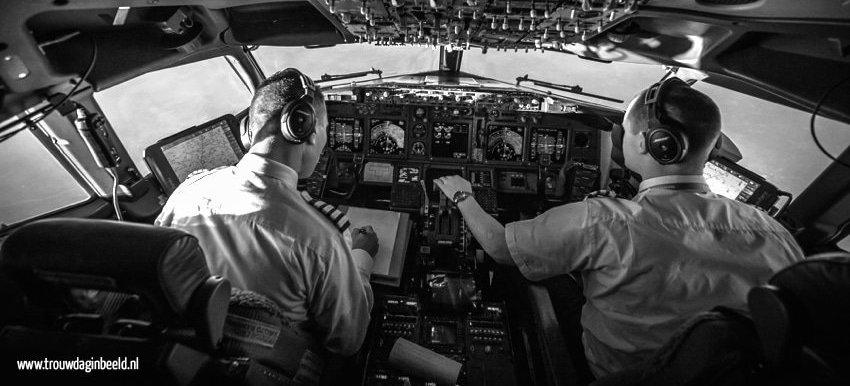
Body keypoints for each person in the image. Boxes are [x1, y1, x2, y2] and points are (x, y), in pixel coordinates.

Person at [434, 77, 804, 379]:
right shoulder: (773, 231)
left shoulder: (604, 218)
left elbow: (500, 246)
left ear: (647, 143)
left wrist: (463, 197)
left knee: (523, 269)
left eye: (623, 132)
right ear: (712, 150)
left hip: (618, 376)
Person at [156, 68, 379, 357]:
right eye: (326, 128)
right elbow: (347, 341)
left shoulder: (186, 193)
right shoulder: (320, 238)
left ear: (248, 131)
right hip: (273, 366)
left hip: (188, 355)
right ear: (307, 131)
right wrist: (360, 259)